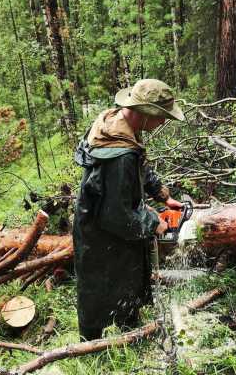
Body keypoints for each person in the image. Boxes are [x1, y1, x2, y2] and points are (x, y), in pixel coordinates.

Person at [72, 78, 185, 341]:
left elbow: (139, 166)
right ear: (145, 113)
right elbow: (116, 216)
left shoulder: (116, 125)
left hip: (105, 223)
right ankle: (91, 348)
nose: (163, 123)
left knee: (128, 278)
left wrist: (161, 194)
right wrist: (151, 222)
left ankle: (130, 331)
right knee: (99, 288)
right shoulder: (119, 156)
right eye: (161, 117)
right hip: (100, 231)